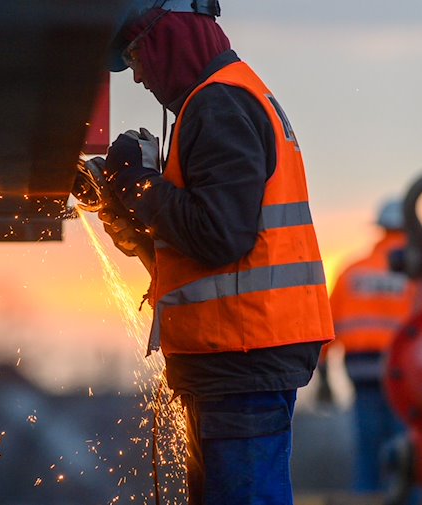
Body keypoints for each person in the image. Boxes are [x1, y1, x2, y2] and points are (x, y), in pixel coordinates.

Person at [96, 1, 335, 503]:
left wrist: (141, 184)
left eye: (136, 56)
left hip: (242, 356)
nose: (138, 77)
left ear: (168, 35)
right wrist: (139, 216)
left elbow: (219, 236)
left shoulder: (219, 103)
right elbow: (214, 246)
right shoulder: (225, 99)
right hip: (238, 355)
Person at [323, 199, 418, 493]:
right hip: (408, 377)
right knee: (410, 455)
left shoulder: (352, 270)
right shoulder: (415, 273)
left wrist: (324, 374)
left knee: (368, 454)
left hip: (361, 373)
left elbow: (327, 325)